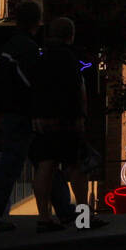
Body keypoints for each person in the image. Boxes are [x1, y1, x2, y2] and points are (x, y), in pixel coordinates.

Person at [0, 0, 72, 232]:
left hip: (13, 115)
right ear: (38, 22)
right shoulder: (27, 49)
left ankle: (64, 210)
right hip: (25, 116)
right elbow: (33, 84)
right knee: (38, 162)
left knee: (37, 163)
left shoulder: (8, 48)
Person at [28, 17, 90, 232]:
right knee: (77, 167)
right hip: (67, 121)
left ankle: (44, 218)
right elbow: (76, 91)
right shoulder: (70, 58)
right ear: (70, 35)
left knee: (45, 166)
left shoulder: (40, 57)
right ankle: (83, 219)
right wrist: (81, 117)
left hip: (42, 121)